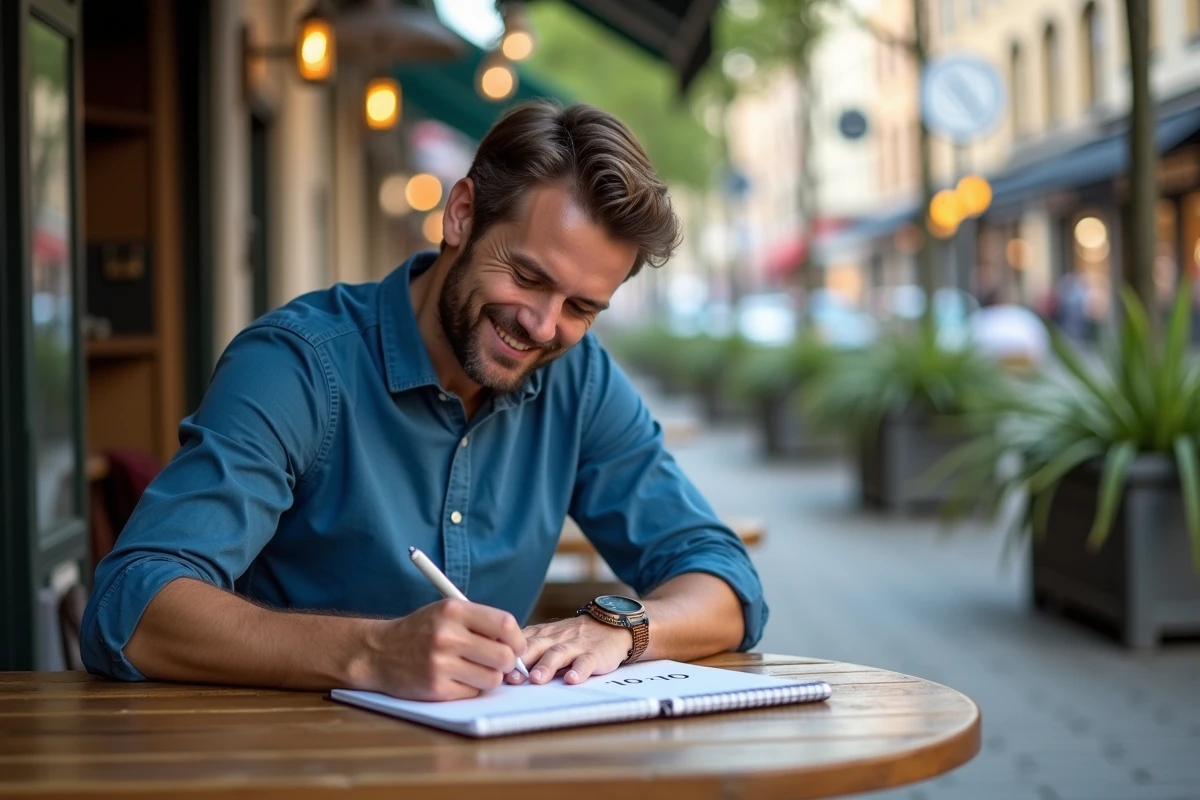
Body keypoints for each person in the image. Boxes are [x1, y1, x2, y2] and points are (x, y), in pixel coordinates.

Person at [81, 102, 767, 702]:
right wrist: (372, 654)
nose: (542, 325)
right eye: (527, 276)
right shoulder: (297, 365)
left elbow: (727, 581)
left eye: (582, 306)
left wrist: (621, 627)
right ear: (461, 215)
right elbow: (131, 606)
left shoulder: (577, 378)